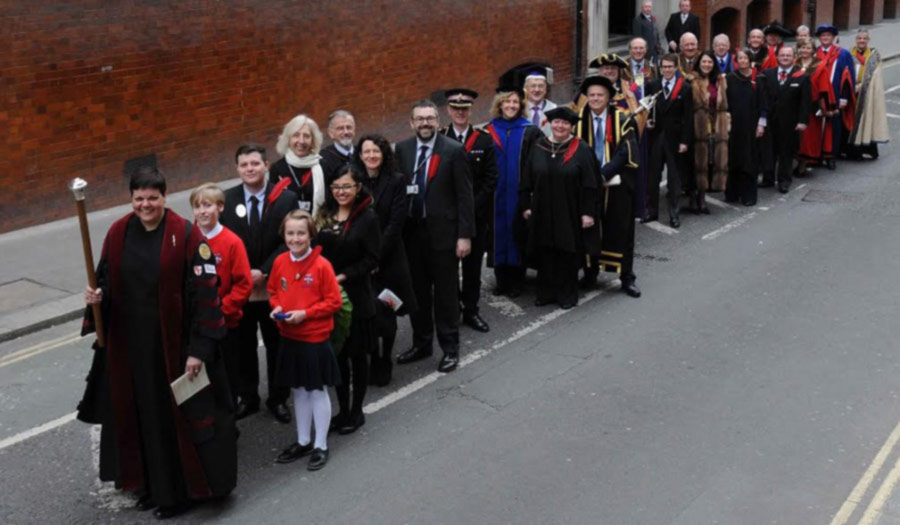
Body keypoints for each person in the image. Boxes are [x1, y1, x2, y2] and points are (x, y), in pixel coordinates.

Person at [80, 167, 235, 520]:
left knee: (174, 422)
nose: (145, 205)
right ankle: (150, 486)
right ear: (131, 199)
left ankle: (179, 492)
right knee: (140, 419)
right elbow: (105, 279)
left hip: (174, 350)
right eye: (139, 198)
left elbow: (206, 295)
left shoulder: (187, 235)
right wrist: (96, 296)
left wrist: (199, 349)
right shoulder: (118, 232)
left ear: (165, 198)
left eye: (152, 198)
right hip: (131, 352)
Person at [220, 144, 298, 424]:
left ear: (266, 165)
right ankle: (248, 397)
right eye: (244, 165)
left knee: (277, 344)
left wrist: (263, 271)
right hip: (241, 288)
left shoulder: (286, 199)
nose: (250, 169)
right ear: (237, 169)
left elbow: (290, 240)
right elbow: (222, 241)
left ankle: (278, 398)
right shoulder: (226, 200)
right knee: (243, 345)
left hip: (273, 285)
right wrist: (243, 274)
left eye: (255, 163)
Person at [395, 100, 475, 374]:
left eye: (430, 118)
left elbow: (465, 196)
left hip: (444, 235)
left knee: (445, 296)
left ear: (438, 121)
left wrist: (464, 235)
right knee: (417, 294)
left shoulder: (453, 150)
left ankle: (450, 349)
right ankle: (422, 343)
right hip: (412, 236)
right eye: (420, 119)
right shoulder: (402, 150)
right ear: (411, 123)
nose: (425, 123)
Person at [269, 211, 342, 471]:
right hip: (289, 336)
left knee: (316, 389)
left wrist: (306, 314)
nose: (295, 238)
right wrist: (277, 308)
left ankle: (320, 444)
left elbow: (333, 302)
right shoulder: (279, 262)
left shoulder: (322, 265)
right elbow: (274, 291)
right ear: (284, 235)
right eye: (290, 233)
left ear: (311, 234)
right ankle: (303, 440)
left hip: (314, 337)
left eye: (301, 233)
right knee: (298, 389)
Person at [315, 165, 381, 434]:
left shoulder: (368, 218)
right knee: (339, 357)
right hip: (330, 298)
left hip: (356, 295)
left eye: (347, 186)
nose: (341, 192)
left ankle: (356, 411)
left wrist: (343, 276)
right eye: (337, 187)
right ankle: (342, 409)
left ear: (358, 188)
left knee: (357, 356)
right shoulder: (325, 215)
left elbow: (373, 259)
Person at [520, 106, 601, 308]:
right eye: (557, 122)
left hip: (570, 210)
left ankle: (567, 294)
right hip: (542, 208)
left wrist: (588, 213)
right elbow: (526, 179)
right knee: (544, 249)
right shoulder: (539, 146)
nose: (560, 126)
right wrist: (526, 205)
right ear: (550, 124)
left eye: (565, 123)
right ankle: (546, 292)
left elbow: (591, 184)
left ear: (571, 126)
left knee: (567, 252)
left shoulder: (581, 149)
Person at [355, 134, 417, 386]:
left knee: (387, 312)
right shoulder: (353, 181)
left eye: (376, 152)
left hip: (388, 259)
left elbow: (396, 223)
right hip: (361, 260)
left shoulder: (397, 180)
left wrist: (376, 256)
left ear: (384, 155)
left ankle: (385, 360)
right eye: (366, 152)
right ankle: (371, 358)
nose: (371, 156)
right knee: (366, 312)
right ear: (360, 155)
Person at [575, 76, 642, 297]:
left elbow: (626, 151)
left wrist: (603, 173)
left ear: (608, 98)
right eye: (591, 95)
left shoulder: (623, 119)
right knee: (588, 229)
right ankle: (590, 271)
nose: (595, 99)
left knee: (621, 229)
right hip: (587, 185)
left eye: (600, 95)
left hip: (616, 184)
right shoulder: (578, 120)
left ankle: (627, 276)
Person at [441, 88, 498, 333]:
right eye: (455, 108)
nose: (460, 113)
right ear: (448, 110)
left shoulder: (484, 139)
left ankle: (471, 311)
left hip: (476, 217)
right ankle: (453, 310)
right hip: (447, 218)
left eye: (464, 109)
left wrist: (469, 207)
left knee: (473, 269)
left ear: (470, 110)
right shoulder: (440, 138)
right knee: (449, 269)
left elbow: (491, 179)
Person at [189, 183, 252, 407]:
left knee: (227, 377)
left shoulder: (232, 242)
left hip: (225, 324)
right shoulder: (189, 239)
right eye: (197, 206)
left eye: (208, 205)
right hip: (198, 325)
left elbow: (243, 285)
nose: (202, 211)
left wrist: (219, 311)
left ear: (220, 208)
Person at [484, 87, 541, 297]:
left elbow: (537, 164)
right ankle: (502, 280)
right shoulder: (489, 130)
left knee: (519, 233)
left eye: (515, 102)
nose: (511, 106)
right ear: (499, 105)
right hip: (496, 196)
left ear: (521, 106)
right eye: (507, 102)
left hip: (519, 195)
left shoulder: (530, 130)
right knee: (498, 234)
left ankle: (517, 280)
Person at [645, 53, 693, 228]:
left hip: (675, 139)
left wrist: (685, 142)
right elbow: (648, 109)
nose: (666, 70)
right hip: (656, 137)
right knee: (653, 177)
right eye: (663, 67)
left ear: (676, 67)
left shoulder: (685, 88)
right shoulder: (653, 85)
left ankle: (674, 214)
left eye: (669, 67)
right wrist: (647, 120)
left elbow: (688, 118)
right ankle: (651, 211)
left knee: (674, 180)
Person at [760, 46, 810, 193]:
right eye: (782, 55)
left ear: (794, 58)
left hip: (790, 123)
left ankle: (784, 180)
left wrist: (803, 121)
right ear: (777, 57)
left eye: (788, 55)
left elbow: (805, 102)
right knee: (769, 151)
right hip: (770, 121)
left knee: (786, 153)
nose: (785, 58)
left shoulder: (802, 76)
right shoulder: (767, 74)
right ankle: (768, 179)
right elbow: (762, 98)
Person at [725, 49, 767, 206]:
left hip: (751, 125)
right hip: (734, 125)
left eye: (745, 58)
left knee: (749, 160)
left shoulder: (759, 78)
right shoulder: (730, 78)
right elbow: (726, 102)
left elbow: (764, 103)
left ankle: (748, 195)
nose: (742, 61)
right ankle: (732, 192)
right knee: (734, 159)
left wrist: (761, 124)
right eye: (740, 58)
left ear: (750, 60)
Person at [689, 51, 729, 214]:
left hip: (715, 128)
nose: (706, 65)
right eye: (704, 62)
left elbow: (726, 104)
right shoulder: (691, 80)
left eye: (710, 62)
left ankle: (703, 198)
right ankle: (693, 197)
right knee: (696, 163)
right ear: (699, 63)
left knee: (709, 163)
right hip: (697, 127)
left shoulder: (720, 81)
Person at [625, 38, 659, 220]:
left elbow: (655, 94)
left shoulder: (652, 68)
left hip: (647, 122)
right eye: (635, 48)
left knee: (646, 164)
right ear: (629, 50)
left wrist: (652, 118)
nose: (638, 51)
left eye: (641, 48)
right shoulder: (623, 69)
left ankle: (643, 203)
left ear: (646, 50)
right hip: (629, 122)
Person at [814, 24, 856, 168]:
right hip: (817, 95)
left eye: (828, 35)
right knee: (816, 126)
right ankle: (816, 155)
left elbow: (848, 76)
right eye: (822, 35)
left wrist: (844, 97)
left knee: (834, 126)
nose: (825, 38)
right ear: (819, 38)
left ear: (833, 37)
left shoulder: (843, 54)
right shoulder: (813, 53)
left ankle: (831, 155)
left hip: (836, 95)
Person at [269, 115, 326, 217]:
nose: (301, 141)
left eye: (306, 136)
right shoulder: (277, 168)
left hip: (317, 225)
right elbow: (274, 205)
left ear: (313, 140)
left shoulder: (322, 165)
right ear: (288, 139)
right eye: (296, 135)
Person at [848, 28, 890, 159]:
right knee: (850, 120)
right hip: (851, 91)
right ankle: (850, 150)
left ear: (868, 40)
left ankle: (866, 149)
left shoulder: (874, 55)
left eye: (864, 38)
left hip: (867, 93)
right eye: (859, 38)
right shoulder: (849, 54)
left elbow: (876, 75)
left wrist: (863, 85)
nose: (862, 41)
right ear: (856, 40)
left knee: (865, 120)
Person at [796, 37, 827, 174]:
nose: (805, 50)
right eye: (802, 47)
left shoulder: (820, 65)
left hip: (812, 105)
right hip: (794, 105)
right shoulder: (793, 63)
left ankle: (806, 161)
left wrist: (824, 106)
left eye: (808, 48)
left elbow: (824, 87)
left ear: (813, 50)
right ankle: (795, 161)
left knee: (809, 136)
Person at [320, 110, 357, 181]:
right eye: (340, 128)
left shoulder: (362, 154)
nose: (346, 132)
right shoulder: (323, 159)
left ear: (354, 129)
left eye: (349, 127)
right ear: (331, 133)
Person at [523, 65, 558, 136]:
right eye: (533, 86)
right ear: (526, 89)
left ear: (546, 89)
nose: (537, 90)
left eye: (541, 86)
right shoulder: (520, 109)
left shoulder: (554, 109)